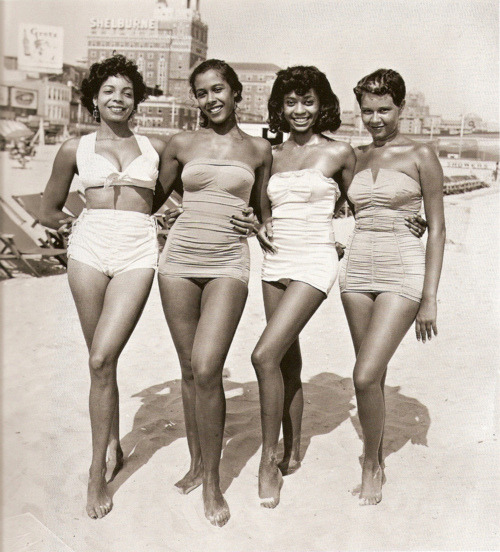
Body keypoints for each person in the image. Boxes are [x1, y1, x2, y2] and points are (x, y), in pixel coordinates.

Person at [40, 55, 166, 519]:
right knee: (100, 359)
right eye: (110, 91)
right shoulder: (75, 148)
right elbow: (50, 205)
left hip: (137, 250)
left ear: (137, 102)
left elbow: (174, 193)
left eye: (127, 92)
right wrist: (74, 226)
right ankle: (110, 443)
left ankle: (97, 472)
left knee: (100, 356)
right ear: (94, 97)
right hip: (88, 250)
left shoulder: (155, 148)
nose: (118, 98)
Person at [154, 59, 271, 527]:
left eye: (218, 89)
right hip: (178, 261)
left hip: (227, 263)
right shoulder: (180, 143)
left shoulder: (260, 149)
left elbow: (265, 213)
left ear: (236, 92)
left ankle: (214, 482)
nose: (210, 99)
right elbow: (152, 200)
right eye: (201, 93)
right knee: (188, 370)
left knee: (207, 367)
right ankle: (197, 463)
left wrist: (257, 221)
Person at [338, 68, 445, 505]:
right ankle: (376, 454)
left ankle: (369, 463)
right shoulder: (356, 156)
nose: (375, 119)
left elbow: (436, 229)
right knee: (373, 374)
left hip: (402, 269)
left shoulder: (422, 153)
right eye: (367, 110)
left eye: (384, 110)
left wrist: (430, 298)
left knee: (362, 376)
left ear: (401, 108)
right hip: (357, 271)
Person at [250, 66, 355, 508]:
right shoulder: (269, 154)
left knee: (264, 354)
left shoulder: (342, 153)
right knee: (286, 361)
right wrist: (258, 226)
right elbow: (260, 208)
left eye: (308, 101)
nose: (299, 110)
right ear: (279, 107)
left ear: (322, 104)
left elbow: (365, 202)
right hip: (275, 259)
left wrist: (343, 242)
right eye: (290, 102)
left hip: (315, 259)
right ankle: (292, 448)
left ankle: (267, 462)